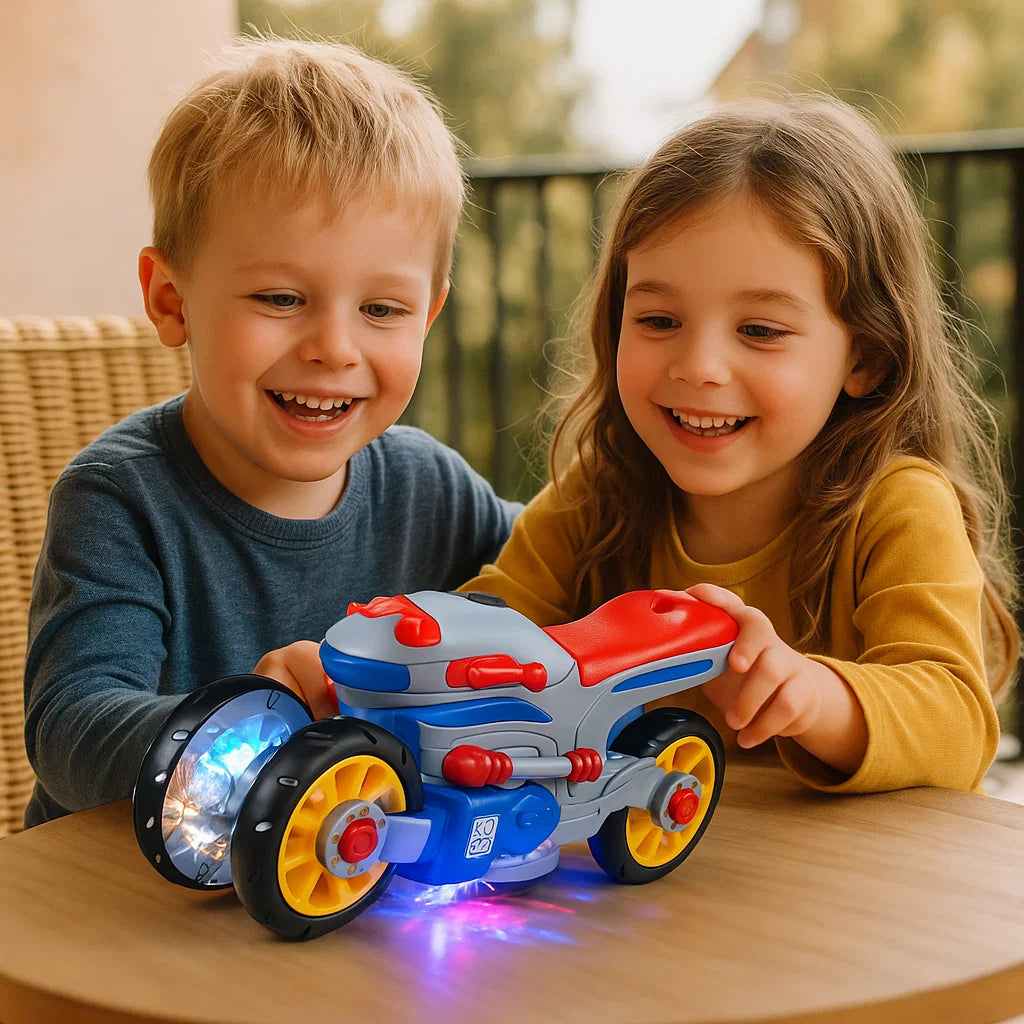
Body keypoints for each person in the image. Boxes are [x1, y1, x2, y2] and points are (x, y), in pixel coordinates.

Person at [22, 38, 520, 827]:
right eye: (282, 299)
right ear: (172, 301)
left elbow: (573, 568)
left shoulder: (431, 487)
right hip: (119, 888)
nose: (335, 348)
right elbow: (69, 733)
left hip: (344, 877)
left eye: (382, 309)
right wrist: (251, 721)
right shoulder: (119, 498)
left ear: (427, 317)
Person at [463, 94, 1019, 794]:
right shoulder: (599, 490)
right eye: (659, 320)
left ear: (866, 358)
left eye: (759, 331)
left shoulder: (900, 507)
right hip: (659, 856)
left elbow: (957, 725)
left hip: (862, 864)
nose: (699, 366)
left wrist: (812, 697)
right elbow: (489, 632)